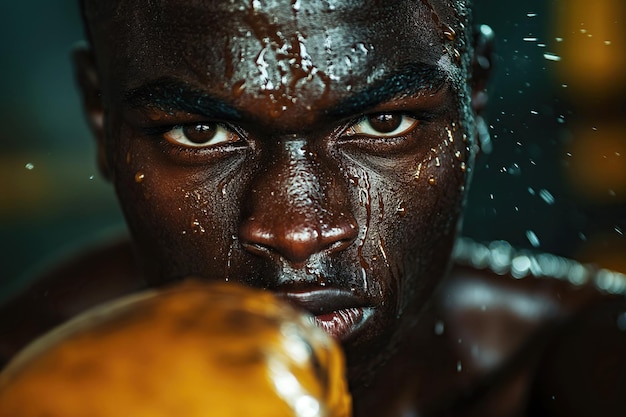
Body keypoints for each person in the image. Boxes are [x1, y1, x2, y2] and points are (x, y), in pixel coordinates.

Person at [0, 0, 624, 415]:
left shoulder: (576, 362)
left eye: (384, 122)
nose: (298, 231)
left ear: (474, 98)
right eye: (200, 134)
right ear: (100, 115)